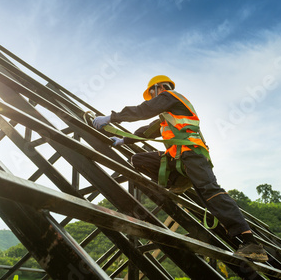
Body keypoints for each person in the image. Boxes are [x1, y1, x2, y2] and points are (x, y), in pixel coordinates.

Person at [92, 75, 268, 262]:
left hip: (193, 155)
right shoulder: (167, 116)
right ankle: (177, 181)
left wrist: (112, 117)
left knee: (211, 192)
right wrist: (123, 140)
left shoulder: (171, 96)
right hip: (178, 159)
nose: (152, 99)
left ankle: (251, 242)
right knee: (139, 159)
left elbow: (143, 110)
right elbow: (146, 132)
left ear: (158, 88)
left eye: (152, 94)